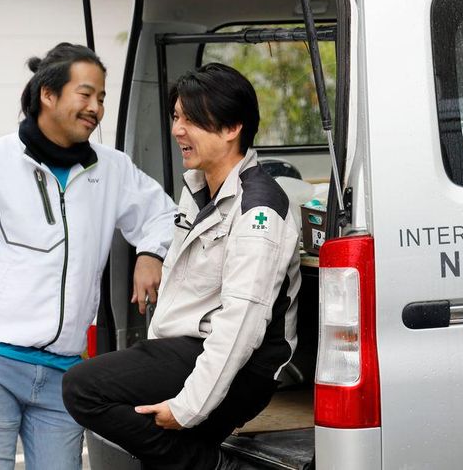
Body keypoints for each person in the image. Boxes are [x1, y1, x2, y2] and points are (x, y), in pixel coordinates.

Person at [0, 42, 176, 470]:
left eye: (102, 97)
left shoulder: (111, 168)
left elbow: (166, 215)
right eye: (86, 94)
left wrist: (151, 253)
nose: (96, 107)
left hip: (65, 371)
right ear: (48, 94)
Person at [62, 63, 301, 470]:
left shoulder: (258, 210)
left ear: (232, 128)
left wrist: (186, 408)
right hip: (188, 349)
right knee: (154, 447)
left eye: (191, 120)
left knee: (81, 387)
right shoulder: (199, 189)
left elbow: (241, 325)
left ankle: (214, 467)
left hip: (241, 367)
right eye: (175, 117)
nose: (177, 130)